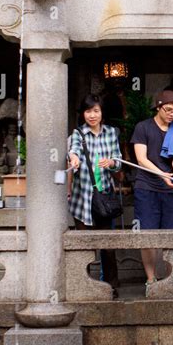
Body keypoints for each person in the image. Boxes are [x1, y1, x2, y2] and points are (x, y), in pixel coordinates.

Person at [131, 89, 173, 288]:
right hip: (146, 187)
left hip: (169, 188)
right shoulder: (143, 127)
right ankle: (150, 278)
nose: (171, 114)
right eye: (168, 109)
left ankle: (170, 279)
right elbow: (141, 158)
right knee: (148, 235)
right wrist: (160, 173)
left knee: (172, 235)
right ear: (158, 108)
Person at [68, 94, 122, 297]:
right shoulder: (78, 134)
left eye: (96, 111)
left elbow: (118, 160)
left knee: (108, 246)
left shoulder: (110, 133)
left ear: (102, 113)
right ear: (83, 113)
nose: (92, 115)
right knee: (84, 247)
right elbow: (72, 152)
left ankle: (111, 287)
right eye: (88, 111)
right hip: (83, 199)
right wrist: (74, 159)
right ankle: (84, 288)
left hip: (104, 198)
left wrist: (111, 163)